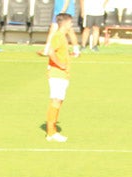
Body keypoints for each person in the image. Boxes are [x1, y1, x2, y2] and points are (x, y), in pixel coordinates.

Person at [45, 12, 74, 143]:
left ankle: (52, 130)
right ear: (66, 23)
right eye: (71, 23)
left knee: (59, 101)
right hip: (57, 74)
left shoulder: (62, 37)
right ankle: (51, 132)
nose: (71, 25)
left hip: (62, 75)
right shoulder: (58, 36)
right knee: (56, 101)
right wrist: (60, 64)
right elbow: (50, 51)